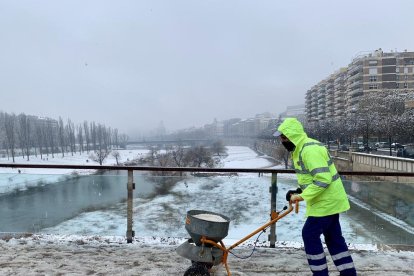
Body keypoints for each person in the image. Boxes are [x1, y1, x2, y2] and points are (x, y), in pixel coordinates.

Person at [274, 118, 357, 276]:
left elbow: (323, 179)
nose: (282, 141)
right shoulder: (301, 149)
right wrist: (298, 190)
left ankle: (320, 274)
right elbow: (311, 178)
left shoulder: (309, 150)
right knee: (334, 238)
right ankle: (349, 273)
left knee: (309, 234)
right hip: (329, 200)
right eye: (281, 138)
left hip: (325, 202)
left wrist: (300, 197)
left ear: (293, 136)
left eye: (284, 138)